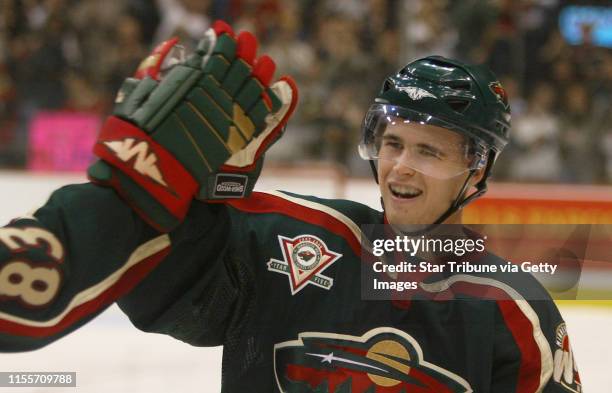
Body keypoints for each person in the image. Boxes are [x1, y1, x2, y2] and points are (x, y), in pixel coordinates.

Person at [0, 20, 581, 392]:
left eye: (429, 151)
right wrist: (201, 195)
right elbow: (168, 296)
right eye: (393, 143)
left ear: (476, 169)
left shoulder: (514, 312)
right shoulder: (292, 234)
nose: (401, 166)